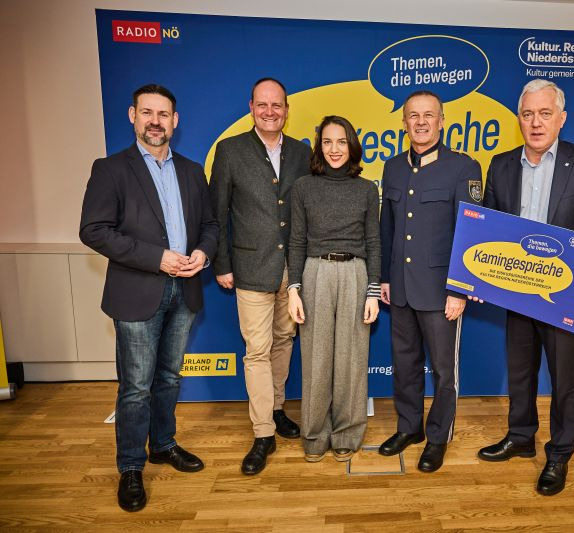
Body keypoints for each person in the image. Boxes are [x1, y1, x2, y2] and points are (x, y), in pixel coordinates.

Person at [477, 79, 574, 496]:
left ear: (561, 118)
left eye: (545, 113)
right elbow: (487, 224)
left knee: (564, 380)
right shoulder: (501, 165)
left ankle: (559, 454)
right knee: (520, 371)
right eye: (528, 114)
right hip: (517, 289)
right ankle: (521, 436)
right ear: (519, 119)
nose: (536, 122)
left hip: (565, 294)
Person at [79, 84, 218, 512]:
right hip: (137, 292)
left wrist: (203, 252)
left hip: (185, 290)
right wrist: (157, 259)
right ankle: (130, 467)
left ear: (175, 121)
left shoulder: (192, 171)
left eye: (163, 114)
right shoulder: (111, 169)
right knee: (136, 387)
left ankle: (162, 444)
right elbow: (94, 230)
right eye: (147, 113)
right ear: (133, 116)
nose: (155, 121)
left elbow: (210, 225)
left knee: (169, 378)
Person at [209, 77, 311, 475]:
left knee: (284, 341)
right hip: (250, 268)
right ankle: (263, 432)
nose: (270, 112)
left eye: (277, 105)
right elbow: (217, 213)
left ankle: (277, 408)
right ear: (251, 107)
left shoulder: (302, 152)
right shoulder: (230, 150)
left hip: (293, 270)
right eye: (263, 105)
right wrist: (221, 264)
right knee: (256, 350)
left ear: (286, 110)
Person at [378, 90, 483, 473]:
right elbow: (387, 228)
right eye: (413, 115)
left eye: (428, 115)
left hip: (442, 291)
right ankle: (410, 428)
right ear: (404, 122)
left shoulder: (463, 167)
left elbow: (471, 234)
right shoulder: (393, 167)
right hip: (401, 287)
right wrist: (385, 278)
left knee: (443, 370)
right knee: (404, 364)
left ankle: (438, 437)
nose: (420, 122)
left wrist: (460, 289)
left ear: (441, 121)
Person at [286, 115, 380, 462]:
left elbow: (374, 242)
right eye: (327, 142)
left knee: (352, 359)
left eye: (341, 142)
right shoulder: (303, 187)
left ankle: (346, 434)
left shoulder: (367, 189)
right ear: (319, 147)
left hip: (356, 273)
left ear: (351, 145)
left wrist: (373, 292)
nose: (334, 149)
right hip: (316, 273)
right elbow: (296, 241)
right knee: (316, 358)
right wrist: (294, 289)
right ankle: (314, 435)